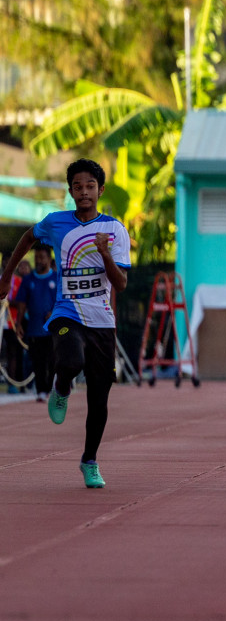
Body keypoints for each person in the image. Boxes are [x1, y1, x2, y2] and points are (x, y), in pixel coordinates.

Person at [0, 159, 130, 488]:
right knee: (69, 360)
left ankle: (90, 461)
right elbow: (29, 238)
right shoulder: (56, 223)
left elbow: (122, 283)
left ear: (100, 190)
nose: (84, 192)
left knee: (100, 399)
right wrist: (7, 274)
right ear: (70, 191)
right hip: (66, 312)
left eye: (90, 187)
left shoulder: (115, 230)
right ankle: (61, 387)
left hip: (102, 321)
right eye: (77, 186)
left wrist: (104, 254)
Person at [15, 246, 59, 402]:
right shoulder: (28, 280)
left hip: (53, 330)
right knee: (38, 361)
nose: (38, 261)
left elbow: (65, 301)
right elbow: (21, 303)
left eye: (41, 257)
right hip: (34, 329)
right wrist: (18, 323)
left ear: (48, 258)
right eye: (36, 257)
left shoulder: (56, 278)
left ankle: (49, 386)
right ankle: (41, 391)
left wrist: (54, 313)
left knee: (53, 360)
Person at [3, 259, 29, 391]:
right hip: (3, 323)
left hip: (14, 322)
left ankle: (15, 384)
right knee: (9, 353)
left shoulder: (18, 281)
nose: (6, 265)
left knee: (15, 352)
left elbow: (21, 302)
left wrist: (8, 302)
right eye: (4, 262)